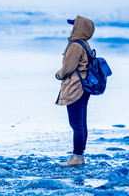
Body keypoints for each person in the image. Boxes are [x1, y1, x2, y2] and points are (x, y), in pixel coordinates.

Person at [55, 15, 95, 167]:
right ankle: (79, 155)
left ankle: (77, 156)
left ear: (79, 28)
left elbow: (68, 68)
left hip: (75, 88)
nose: (71, 28)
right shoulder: (84, 44)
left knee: (76, 124)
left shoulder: (75, 46)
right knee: (81, 123)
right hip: (83, 88)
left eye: (74, 25)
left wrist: (58, 74)